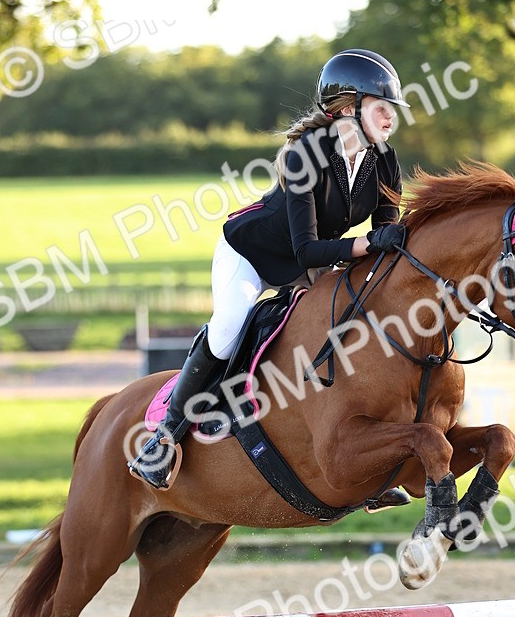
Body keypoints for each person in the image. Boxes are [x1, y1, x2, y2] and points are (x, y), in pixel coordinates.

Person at [129, 48, 411, 507]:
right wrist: (365, 244)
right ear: (347, 108)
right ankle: (164, 437)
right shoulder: (304, 155)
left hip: (311, 264)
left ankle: (363, 457)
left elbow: (384, 236)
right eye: (382, 107)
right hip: (252, 255)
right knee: (229, 326)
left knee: (350, 324)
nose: (391, 118)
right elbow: (307, 249)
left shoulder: (384, 159)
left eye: (392, 109)